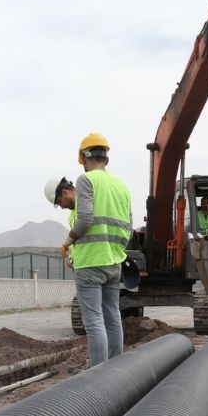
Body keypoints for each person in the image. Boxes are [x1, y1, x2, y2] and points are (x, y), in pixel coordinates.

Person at [43, 132, 133, 368]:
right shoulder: (121, 187)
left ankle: (97, 376)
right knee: (113, 316)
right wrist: (115, 252)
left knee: (93, 321)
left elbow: (85, 222)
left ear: (83, 156)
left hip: (91, 266)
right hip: (113, 262)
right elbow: (128, 228)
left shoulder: (86, 180)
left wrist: (66, 242)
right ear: (106, 156)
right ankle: (115, 368)